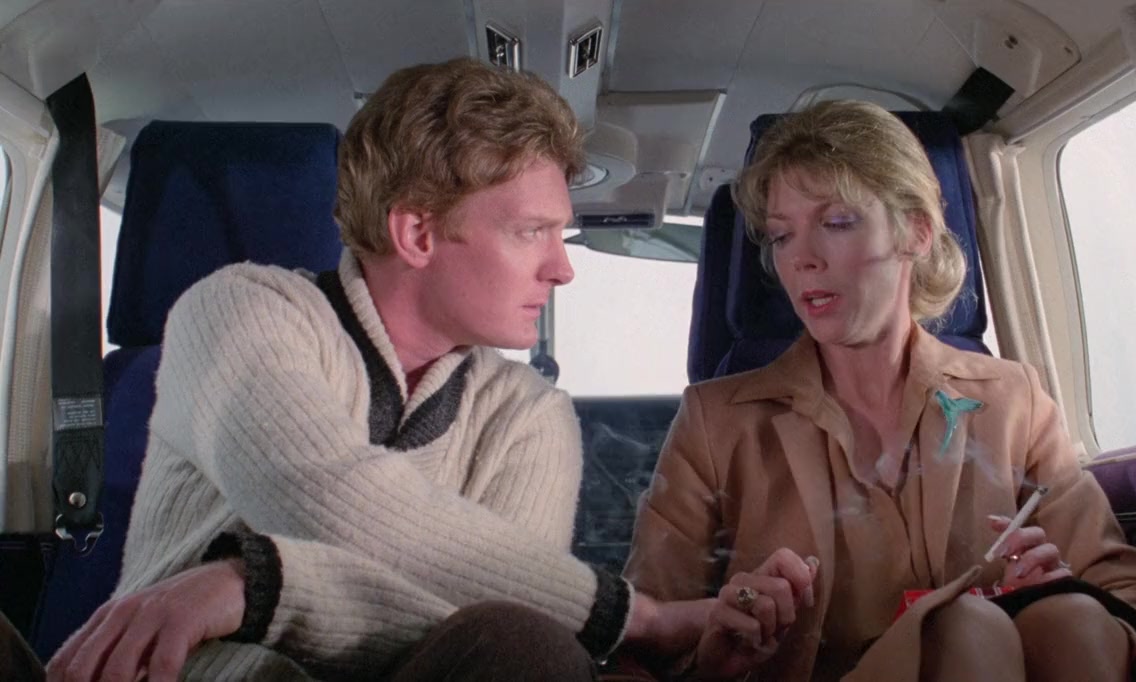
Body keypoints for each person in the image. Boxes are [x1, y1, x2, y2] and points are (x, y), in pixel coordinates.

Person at [27, 58, 713, 682]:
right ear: (417, 234)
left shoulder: (530, 413)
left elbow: (509, 612)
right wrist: (635, 619)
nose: (562, 268)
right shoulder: (239, 310)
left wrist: (251, 589)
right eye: (531, 231)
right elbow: (322, 495)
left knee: (524, 641)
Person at [621, 100, 1136, 681]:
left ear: (917, 231)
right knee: (965, 629)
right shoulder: (716, 423)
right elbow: (639, 643)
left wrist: (1060, 587)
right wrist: (714, 658)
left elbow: (1130, 595)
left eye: (836, 223)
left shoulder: (1013, 399)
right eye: (781, 236)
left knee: (1073, 621)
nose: (801, 259)